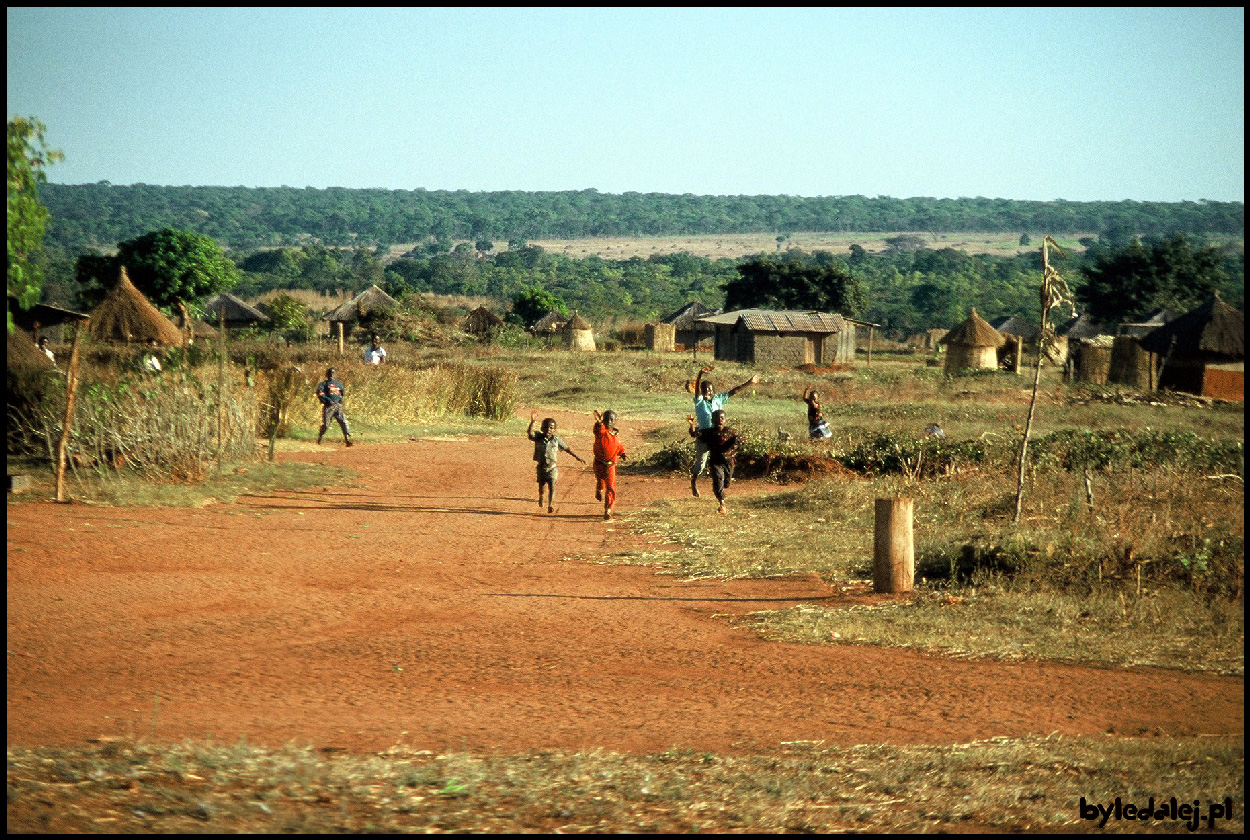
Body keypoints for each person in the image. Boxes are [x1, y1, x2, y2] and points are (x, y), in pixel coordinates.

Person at [690, 364, 757, 497]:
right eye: (705, 390)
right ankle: (694, 481)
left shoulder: (718, 399)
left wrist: (749, 382)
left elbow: (734, 391)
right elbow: (697, 389)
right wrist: (700, 374)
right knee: (701, 464)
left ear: (713, 391)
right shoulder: (699, 402)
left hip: (718, 436)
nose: (708, 392)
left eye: (710, 390)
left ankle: (720, 485)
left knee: (723, 459)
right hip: (704, 436)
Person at [527, 412, 584, 513]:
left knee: (552, 485)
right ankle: (541, 496)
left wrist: (577, 457)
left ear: (554, 429)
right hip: (541, 467)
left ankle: (550, 504)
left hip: (552, 468)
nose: (548, 430)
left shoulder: (557, 440)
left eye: (551, 428)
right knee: (542, 486)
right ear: (541, 428)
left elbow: (567, 449)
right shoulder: (538, 437)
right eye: (546, 427)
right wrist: (532, 422)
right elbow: (529, 433)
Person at [688, 409, 739, 514]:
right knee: (718, 480)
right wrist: (692, 424)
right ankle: (722, 504)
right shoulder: (709, 432)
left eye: (722, 418)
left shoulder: (730, 432)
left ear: (725, 420)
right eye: (716, 418)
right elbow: (694, 433)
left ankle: (722, 495)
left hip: (728, 461)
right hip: (715, 461)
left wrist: (736, 444)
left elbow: (741, 439)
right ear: (712, 420)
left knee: (726, 484)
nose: (719, 420)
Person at [592, 409, 627, 521]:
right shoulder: (601, 432)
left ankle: (608, 509)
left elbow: (619, 446)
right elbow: (598, 429)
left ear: (615, 421)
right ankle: (599, 489)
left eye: (611, 420)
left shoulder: (616, 435)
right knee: (600, 480)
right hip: (599, 463)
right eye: (606, 419)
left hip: (611, 465)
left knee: (610, 486)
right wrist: (598, 423)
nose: (609, 422)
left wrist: (623, 453)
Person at [316, 367, 353, 447]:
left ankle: (348, 440)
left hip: (338, 406)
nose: (331, 375)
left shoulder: (338, 384)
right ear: (327, 375)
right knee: (326, 424)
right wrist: (327, 400)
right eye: (329, 373)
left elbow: (342, 393)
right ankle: (320, 437)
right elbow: (320, 393)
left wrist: (340, 400)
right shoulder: (324, 384)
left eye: (333, 373)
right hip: (329, 407)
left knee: (344, 422)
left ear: (335, 374)